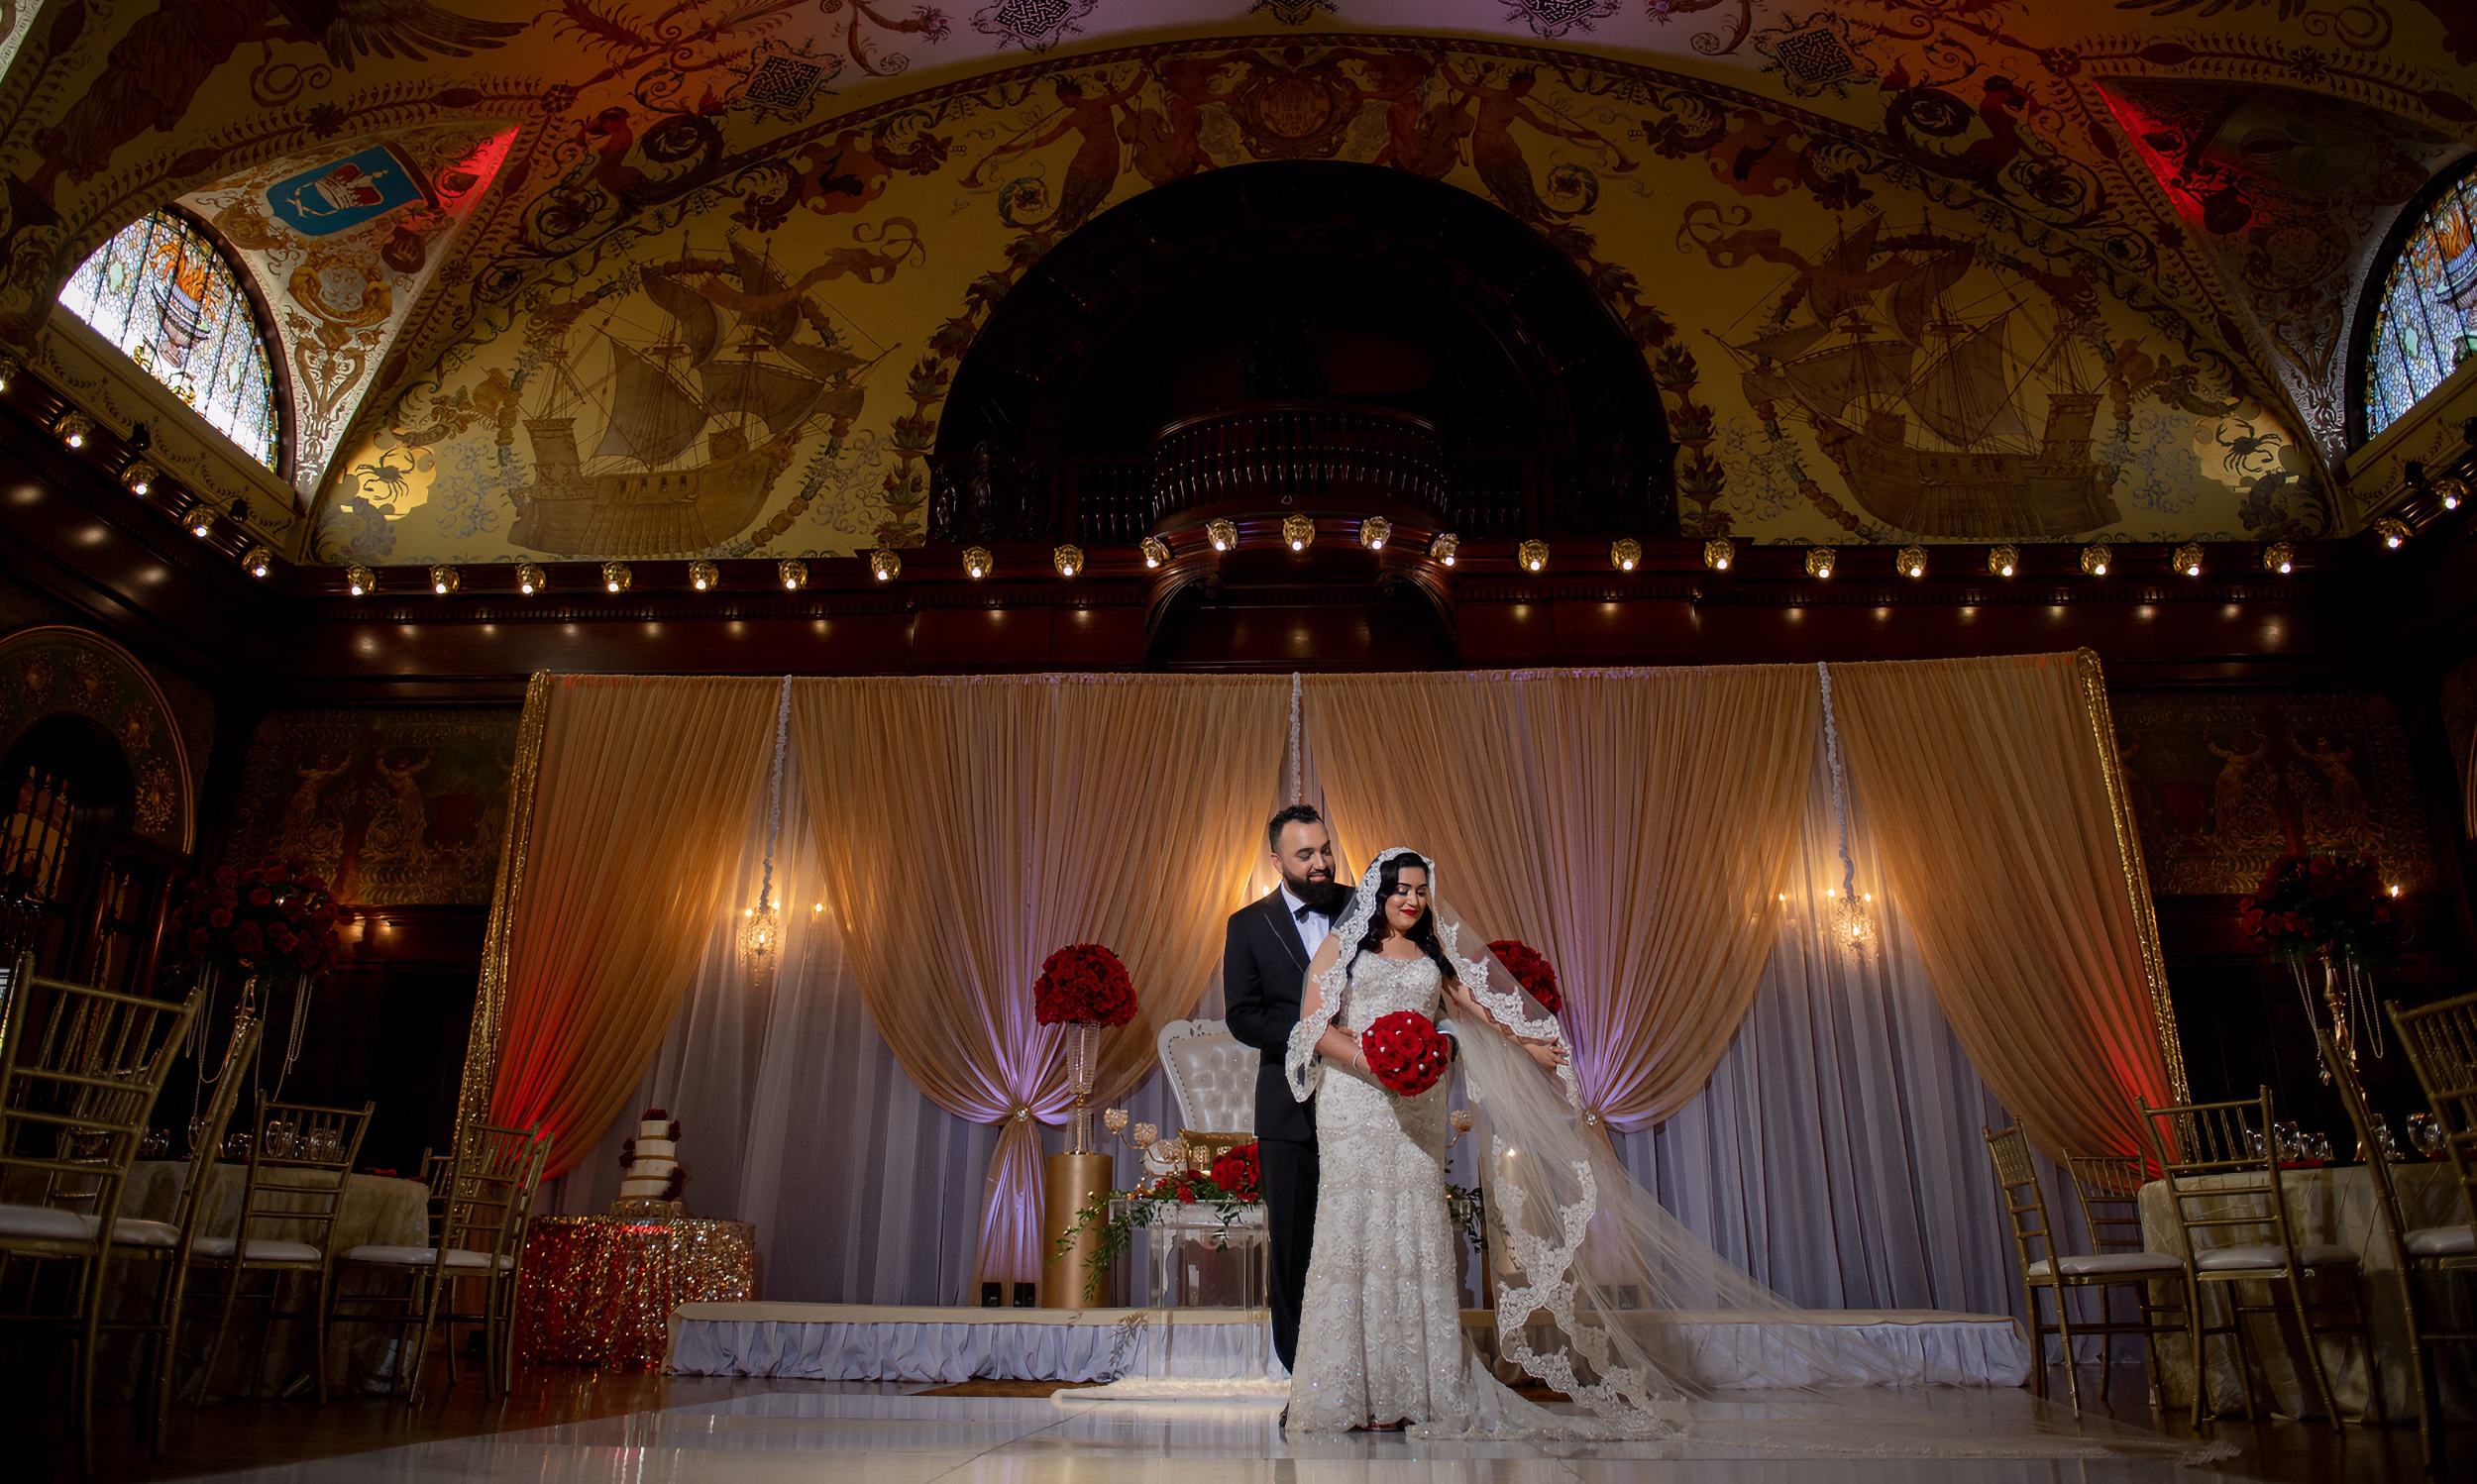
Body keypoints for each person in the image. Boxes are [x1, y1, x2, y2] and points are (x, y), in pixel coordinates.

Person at [1282, 847, 1563, 1431]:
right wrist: (1373, 1061)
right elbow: (1312, 1028)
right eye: (1401, 889)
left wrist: (1529, 1045)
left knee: (1415, 1227)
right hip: (1353, 1102)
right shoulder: (1343, 947)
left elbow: (1477, 1007)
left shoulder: (1435, 954)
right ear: (1379, 891)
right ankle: (1347, 1392)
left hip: (1418, 1103)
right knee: (1353, 1229)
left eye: (1421, 890)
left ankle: (1417, 1390)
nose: (1412, 900)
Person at [1219, 803, 1348, 1375]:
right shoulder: (1247, 924)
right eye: (1305, 854)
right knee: (1294, 1249)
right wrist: (1314, 1034)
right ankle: (1303, 1382)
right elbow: (1243, 1016)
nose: (1321, 863)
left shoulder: (1363, 908)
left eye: (1325, 850)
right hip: (1289, 1110)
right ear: (1277, 861)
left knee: (1359, 1242)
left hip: (1363, 1102)